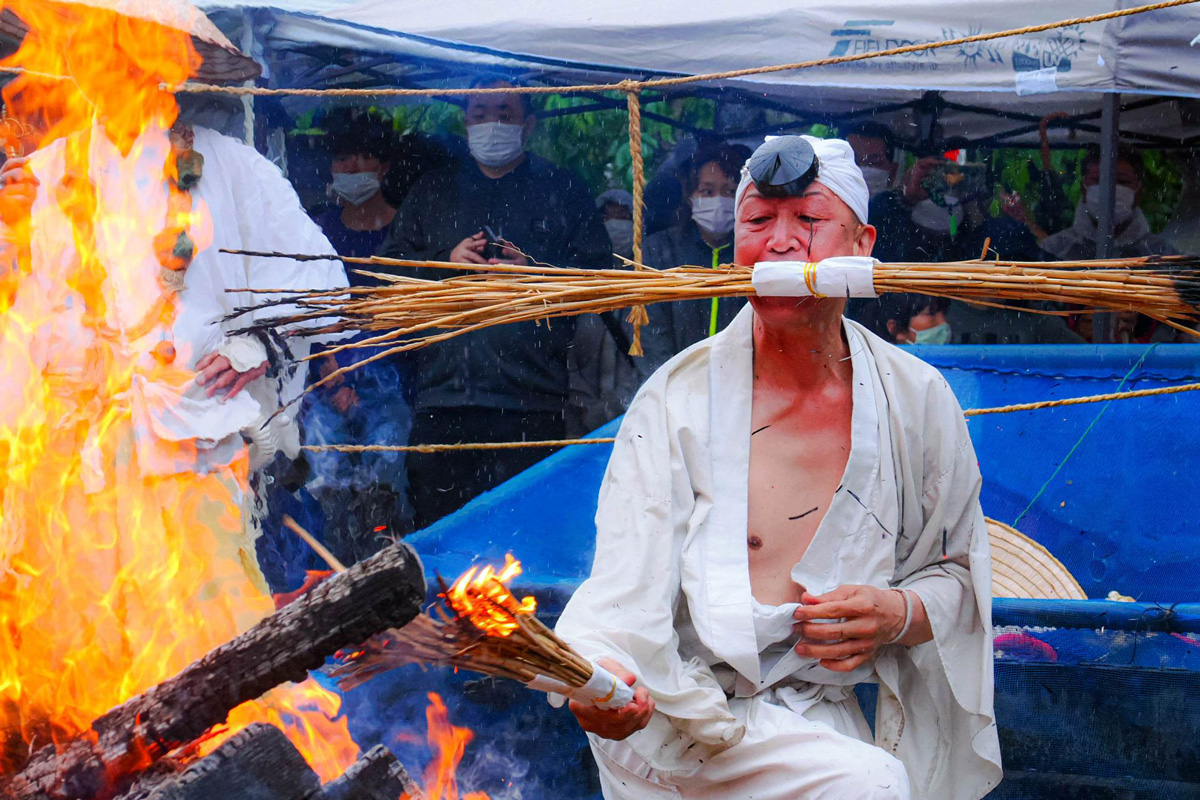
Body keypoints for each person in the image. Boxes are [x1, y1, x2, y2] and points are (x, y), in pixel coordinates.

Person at [555, 135, 1000, 800]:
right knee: (870, 786)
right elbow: (622, 589)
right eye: (758, 222)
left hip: (819, 729)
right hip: (682, 722)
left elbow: (962, 574)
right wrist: (603, 675)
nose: (781, 243)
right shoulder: (677, 399)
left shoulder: (917, 399)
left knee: (870, 782)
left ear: (862, 244)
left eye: (810, 221)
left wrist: (898, 611)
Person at [379, 75, 610, 527]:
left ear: (529, 124)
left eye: (504, 112)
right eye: (480, 113)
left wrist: (537, 274)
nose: (491, 123)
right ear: (464, 121)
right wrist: (443, 262)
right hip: (443, 398)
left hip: (532, 402)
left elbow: (602, 281)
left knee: (522, 539)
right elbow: (385, 273)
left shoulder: (563, 190)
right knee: (440, 538)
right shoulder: (433, 189)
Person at [300, 109, 417, 567]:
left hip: (397, 385)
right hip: (325, 383)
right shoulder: (314, 231)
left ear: (384, 166)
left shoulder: (407, 229)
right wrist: (331, 374)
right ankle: (329, 580)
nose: (351, 169)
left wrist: (371, 387)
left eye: (364, 158)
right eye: (342, 159)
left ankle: (389, 576)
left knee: (388, 484)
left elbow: (416, 314)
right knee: (326, 483)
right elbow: (300, 307)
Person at [636, 143, 751, 375]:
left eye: (729, 191)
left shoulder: (753, 254)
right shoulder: (659, 250)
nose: (719, 200)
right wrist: (672, 386)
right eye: (707, 191)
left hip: (740, 388)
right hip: (674, 388)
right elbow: (651, 332)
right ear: (690, 195)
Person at [1040, 145, 1177, 261]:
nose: (1109, 191)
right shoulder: (1053, 249)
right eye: (1098, 180)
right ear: (1083, 188)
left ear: (1138, 192)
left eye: (1122, 182)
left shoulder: (1162, 256)